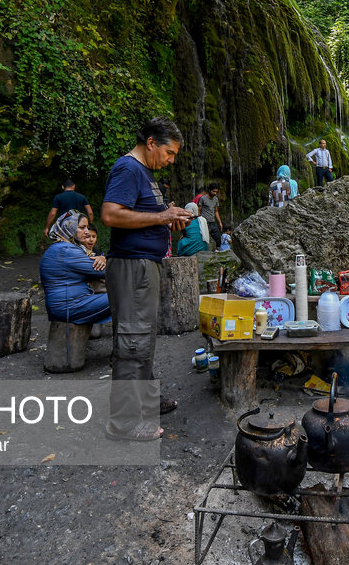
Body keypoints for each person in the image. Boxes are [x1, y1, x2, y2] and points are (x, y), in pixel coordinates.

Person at [101, 115, 191, 442]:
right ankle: (123, 423)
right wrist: (162, 215)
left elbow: (146, 214)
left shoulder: (147, 174)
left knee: (143, 335)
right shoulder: (128, 169)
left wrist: (169, 217)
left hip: (144, 264)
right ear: (151, 143)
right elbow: (110, 214)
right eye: (169, 153)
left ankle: (147, 402)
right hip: (131, 266)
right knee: (132, 340)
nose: (171, 161)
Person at [39, 211, 110, 324]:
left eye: (87, 227)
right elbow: (104, 271)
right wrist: (103, 260)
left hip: (70, 304)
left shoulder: (62, 246)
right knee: (124, 295)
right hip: (68, 307)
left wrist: (102, 259)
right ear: (69, 227)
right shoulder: (66, 250)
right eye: (82, 227)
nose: (86, 232)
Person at [198, 183, 223, 251]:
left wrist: (220, 222)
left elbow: (216, 211)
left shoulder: (216, 199)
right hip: (204, 222)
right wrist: (199, 221)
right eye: (213, 191)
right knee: (204, 239)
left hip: (212, 222)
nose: (215, 193)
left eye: (216, 192)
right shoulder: (203, 198)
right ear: (209, 190)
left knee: (218, 239)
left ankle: (218, 254)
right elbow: (198, 210)